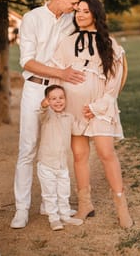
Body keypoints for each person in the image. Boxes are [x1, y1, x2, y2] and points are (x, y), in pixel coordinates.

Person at [51, 0, 133, 228]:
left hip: (99, 108)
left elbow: (115, 81)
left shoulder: (109, 44)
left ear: (96, 14)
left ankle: (121, 207)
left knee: (106, 152)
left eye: (86, 11)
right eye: (78, 11)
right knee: (79, 155)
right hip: (74, 108)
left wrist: (97, 106)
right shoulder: (67, 42)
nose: (80, 15)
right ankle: (85, 204)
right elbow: (57, 70)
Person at [10, 0, 84, 229]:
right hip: (34, 88)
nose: (75, 7)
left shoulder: (70, 20)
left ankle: (48, 204)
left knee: (55, 148)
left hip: (59, 92)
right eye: (73, 2)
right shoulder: (32, 19)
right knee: (28, 149)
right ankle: (21, 209)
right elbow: (27, 62)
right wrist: (60, 74)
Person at [37, 84, 85, 231]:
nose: (58, 101)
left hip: (62, 164)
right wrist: (44, 106)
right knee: (50, 193)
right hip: (46, 163)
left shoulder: (69, 117)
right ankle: (54, 218)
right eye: (53, 99)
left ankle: (65, 215)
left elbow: (78, 130)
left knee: (64, 191)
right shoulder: (47, 116)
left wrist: (87, 119)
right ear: (47, 101)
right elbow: (42, 112)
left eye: (61, 98)